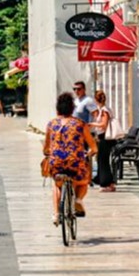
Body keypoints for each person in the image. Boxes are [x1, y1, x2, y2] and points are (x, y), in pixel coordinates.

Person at [43, 92, 98, 225]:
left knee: (57, 184)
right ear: (72, 108)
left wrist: (48, 153)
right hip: (75, 162)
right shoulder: (80, 124)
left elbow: (46, 147)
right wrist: (90, 152)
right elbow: (93, 146)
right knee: (84, 181)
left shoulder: (51, 124)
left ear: (57, 109)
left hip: (57, 163)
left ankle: (56, 214)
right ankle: (78, 200)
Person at [91, 90, 116, 192]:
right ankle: (108, 182)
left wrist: (92, 124)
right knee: (102, 160)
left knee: (103, 161)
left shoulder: (104, 110)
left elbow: (103, 125)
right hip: (103, 138)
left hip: (105, 138)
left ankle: (105, 183)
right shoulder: (102, 110)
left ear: (96, 100)